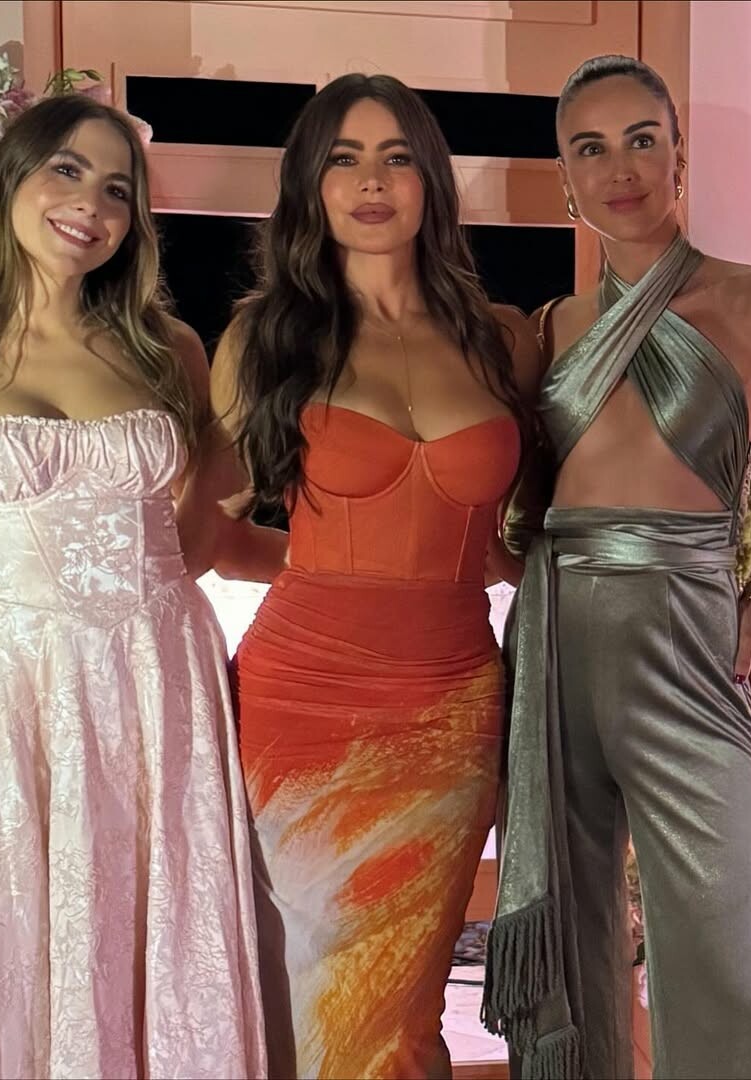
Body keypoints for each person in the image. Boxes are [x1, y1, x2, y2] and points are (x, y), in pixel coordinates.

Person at [482, 54, 751, 1080]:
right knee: (570, 928)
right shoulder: (554, 328)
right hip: (558, 637)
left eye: (642, 139)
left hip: (688, 637)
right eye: (591, 148)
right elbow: (524, 499)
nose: (619, 168)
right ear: (566, 178)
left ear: (679, 156)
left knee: (733, 955)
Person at [0, 94, 270, 1079]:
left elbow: (204, 531)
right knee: (0, 951)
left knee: (150, 943)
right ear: (10, 180)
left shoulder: (169, 350)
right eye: (67, 172)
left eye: (118, 190)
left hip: (158, 683)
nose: (92, 205)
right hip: (10, 696)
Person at [210, 73, 540, 1079]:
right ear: (310, 185)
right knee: (307, 991)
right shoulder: (266, 338)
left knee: (402, 1004)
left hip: (451, 711)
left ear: (431, 180)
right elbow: (211, 533)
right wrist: (330, 567)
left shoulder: (502, 339)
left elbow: (508, 541)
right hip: (300, 705)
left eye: (397, 157)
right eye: (344, 159)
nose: (371, 181)